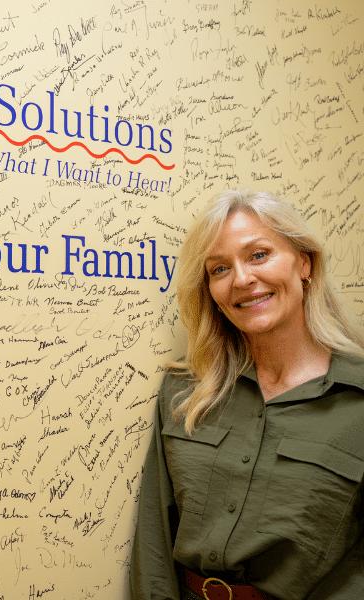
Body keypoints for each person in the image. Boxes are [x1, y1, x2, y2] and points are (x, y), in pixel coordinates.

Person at [130, 190, 364, 600]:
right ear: (211, 291)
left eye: (258, 255)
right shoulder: (184, 392)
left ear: (304, 263)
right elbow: (154, 536)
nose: (241, 279)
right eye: (219, 268)